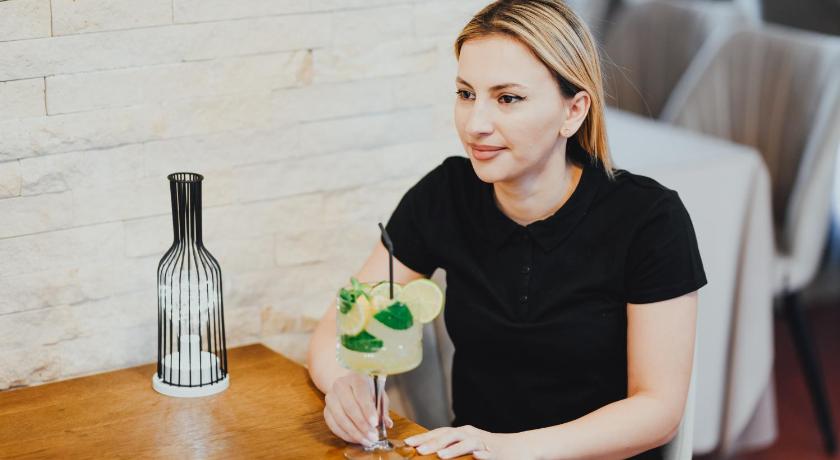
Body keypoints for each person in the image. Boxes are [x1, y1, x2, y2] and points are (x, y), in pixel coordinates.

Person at [307, 1, 708, 458]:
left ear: (573, 111)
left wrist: (507, 448)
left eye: (507, 98)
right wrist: (344, 385)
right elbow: (337, 328)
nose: (475, 124)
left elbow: (658, 409)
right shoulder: (446, 194)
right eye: (466, 93)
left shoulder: (650, 218)